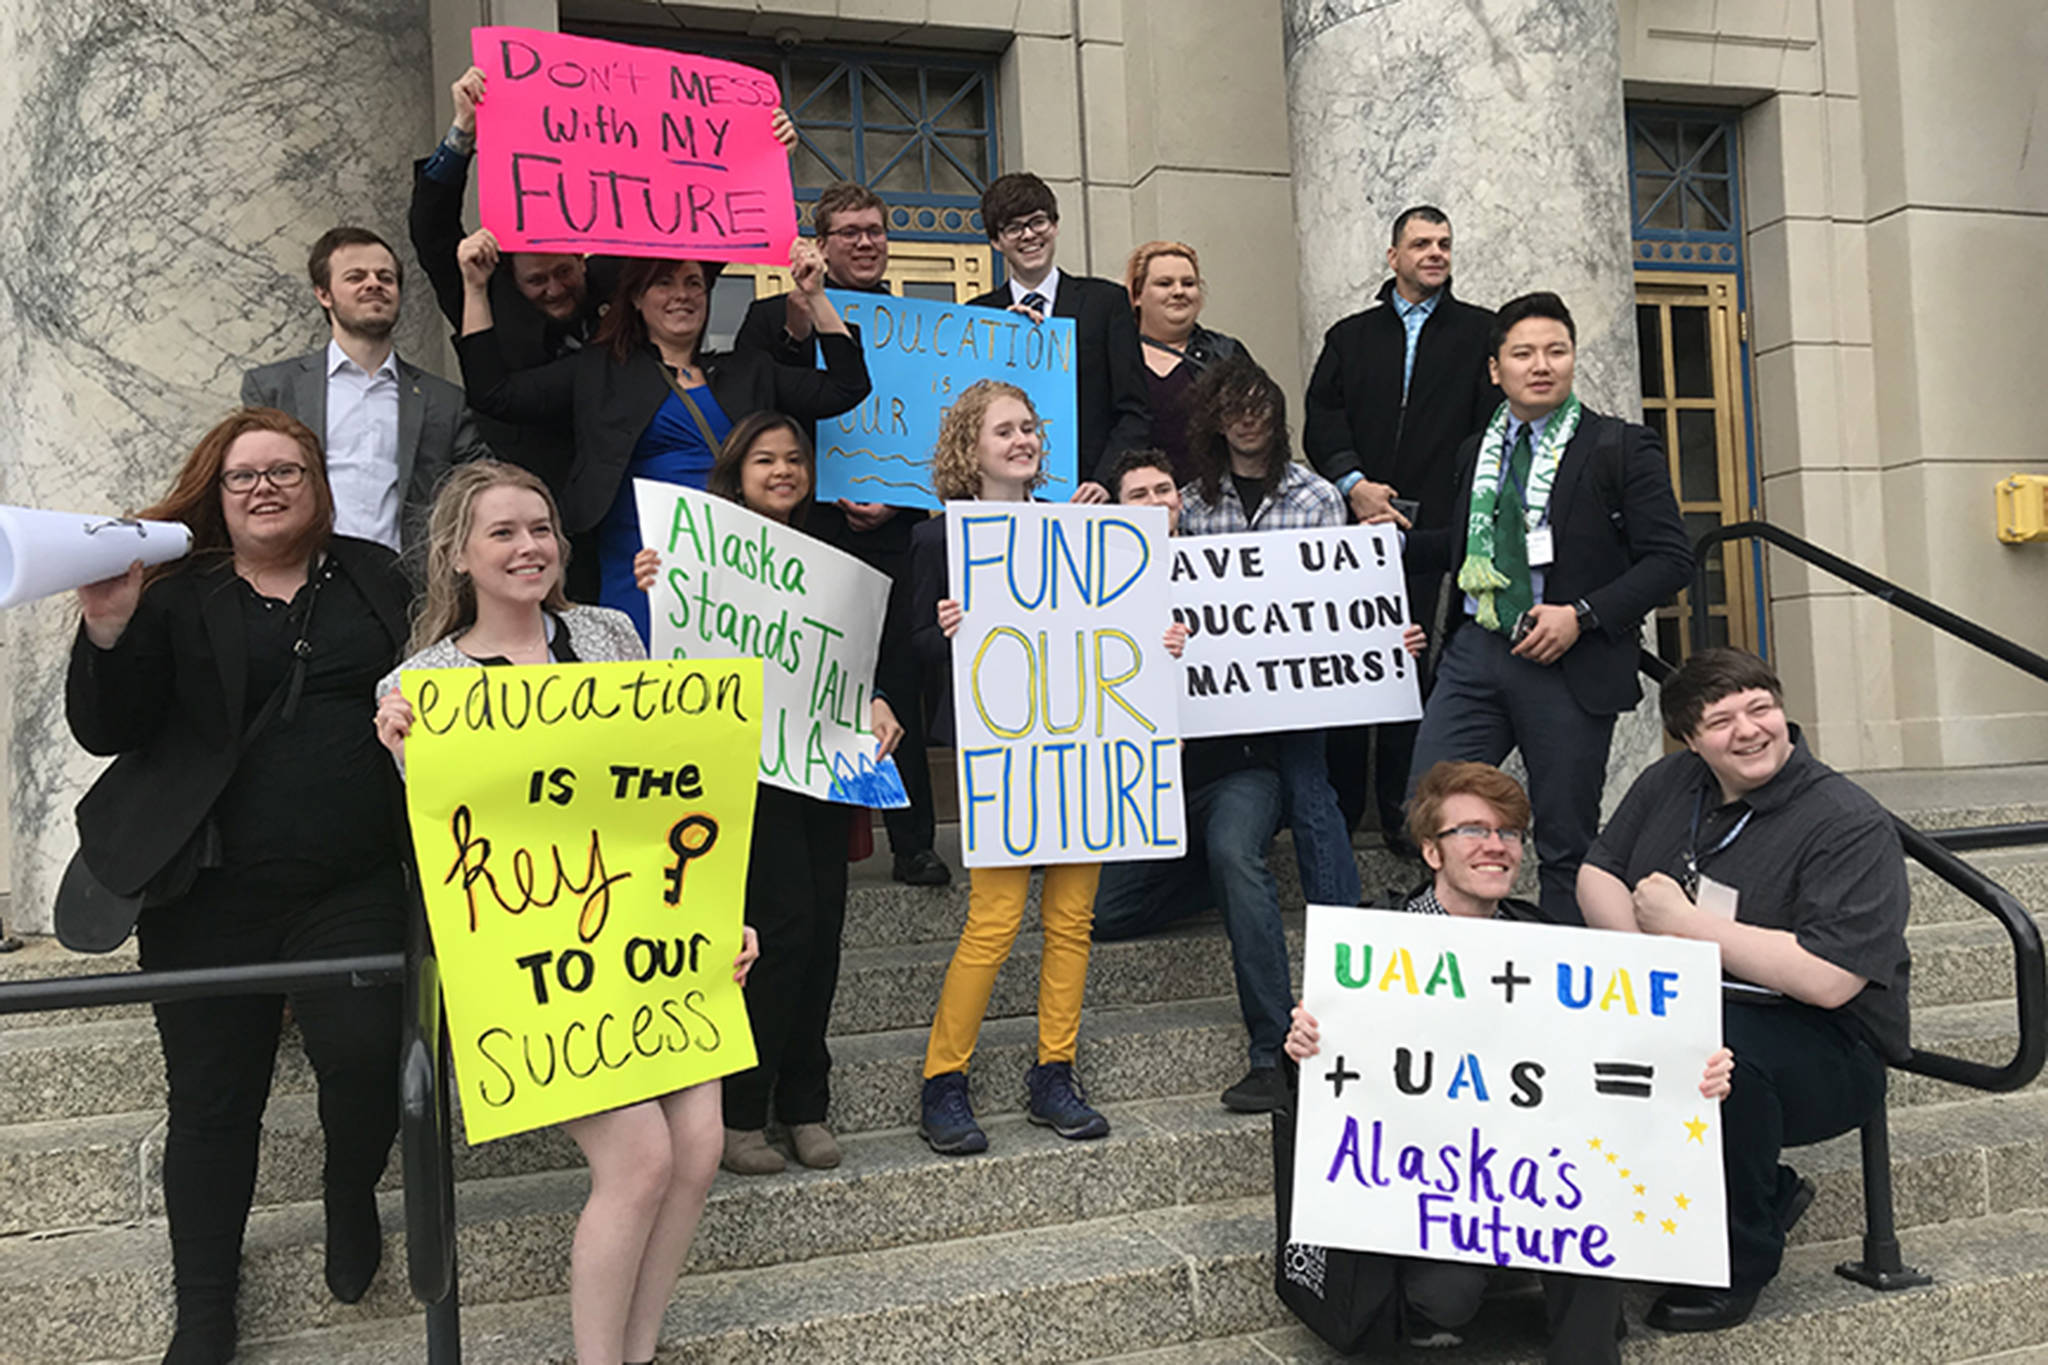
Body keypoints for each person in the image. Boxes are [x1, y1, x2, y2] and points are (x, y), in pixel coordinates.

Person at [373, 461, 759, 1365]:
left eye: (540, 527)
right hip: (537, 967)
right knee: (638, 1159)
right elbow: (455, 847)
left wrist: (713, 919)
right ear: (456, 554)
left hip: (652, 944)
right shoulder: (420, 682)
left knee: (698, 1146)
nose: (528, 546)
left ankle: (639, 1349)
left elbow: (667, 793)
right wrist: (401, 751)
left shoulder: (610, 633)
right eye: (503, 532)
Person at [64, 408, 415, 1364]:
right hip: (206, 891)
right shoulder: (176, 590)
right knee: (214, 1103)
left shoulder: (378, 575)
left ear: (319, 482)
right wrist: (106, 625)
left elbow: (460, 662)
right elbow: (110, 729)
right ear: (216, 493)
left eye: (285, 471)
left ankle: (350, 1190)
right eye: (242, 475)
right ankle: (205, 1306)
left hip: (351, 879)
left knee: (364, 1053)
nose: (264, 487)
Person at [1285, 760, 1735, 1364]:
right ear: (1431, 852)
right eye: (1472, 830)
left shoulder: (1548, 941)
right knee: (1446, 1297)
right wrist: (1306, 1048)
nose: (1495, 846)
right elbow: (1326, 1095)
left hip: (1537, 1177)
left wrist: (1690, 1072)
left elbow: (1613, 1058)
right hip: (1430, 1182)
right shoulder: (1373, 949)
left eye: (1508, 833)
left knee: (1596, 1221)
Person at [1578, 648, 1911, 1332]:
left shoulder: (1847, 821)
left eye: (1761, 707)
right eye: (1721, 719)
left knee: (1713, 1055)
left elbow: (1828, 977)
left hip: (1828, 1041)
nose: (1750, 729)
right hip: (1690, 1000)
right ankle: (1757, 1191)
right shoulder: (1671, 782)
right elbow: (1598, 871)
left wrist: (1687, 928)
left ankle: (1736, 1262)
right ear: (1691, 740)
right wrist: (1654, 964)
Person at [1099, 449, 1421, 1115]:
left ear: (1180, 502)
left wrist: (1390, 637)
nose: (1157, 501)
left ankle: (1271, 1048)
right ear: (1117, 507)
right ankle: (1213, 879)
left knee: (1232, 852)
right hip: (1148, 787)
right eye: (1139, 493)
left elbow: (1326, 621)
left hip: (1239, 771)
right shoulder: (1096, 583)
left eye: (1165, 489)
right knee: (1104, 914)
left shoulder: (1231, 562)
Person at [908, 380, 1180, 1154]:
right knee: (992, 922)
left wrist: (1162, 643)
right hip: (1003, 753)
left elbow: (1123, 630)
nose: (1022, 440)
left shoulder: (1080, 535)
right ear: (971, 446)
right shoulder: (939, 541)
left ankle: (1054, 1070)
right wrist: (947, 629)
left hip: (1081, 749)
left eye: (1029, 427)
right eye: (1005, 430)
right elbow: (916, 653)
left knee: (1072, 921)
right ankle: (943, 1079)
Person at [632, 413, 906, 1176]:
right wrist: (658, 588)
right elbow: (661, 651)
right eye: (765, 459)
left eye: (793, 458)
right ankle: (741, 1111)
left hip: (821, 768)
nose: (783, 470)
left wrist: (878, 701)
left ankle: (805, 1104)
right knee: (777, 932)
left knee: (824, 933)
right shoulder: (687, 549)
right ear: (736, 469)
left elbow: (844, 661)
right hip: (741, 774)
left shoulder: (831, 553)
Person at [1402, 291, 1691, 924]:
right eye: (1523, 352)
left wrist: (1580, 614)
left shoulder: (1620, 446)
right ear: (1494, 368)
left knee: (1566, 840)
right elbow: (1456, 546)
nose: (1542, 365)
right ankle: (1449, 958)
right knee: (1428, 805)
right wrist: (1367, 553)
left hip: (1568, 661)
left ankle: (1556, 989)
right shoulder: (1474, 451)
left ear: (1572, 359)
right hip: (1477, 652)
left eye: (1556, 351)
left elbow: (1671, 561)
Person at [452, 231, 870, 636]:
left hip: (741, 568)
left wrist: (815, 295)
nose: (682, 295)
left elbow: (847, 387)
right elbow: (494, 394)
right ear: (636, 297)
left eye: (694, 283)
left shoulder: (748, 370)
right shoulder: (601, 370)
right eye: (663, 283)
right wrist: (475, 288)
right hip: (641, 567)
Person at [733, 182, 950, 888]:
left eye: (876, 230)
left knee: (898, 678)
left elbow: (934, 423)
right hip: (808, 529)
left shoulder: (921, 322)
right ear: (819, 243)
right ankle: (825, 826)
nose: (865, 242)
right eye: (849, 231)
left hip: (897, 531)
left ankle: (912, 838)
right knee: (823, 676)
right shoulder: (769, 320)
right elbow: (761, 411)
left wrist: (897, 498)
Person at [1303, 206, 1501, 854]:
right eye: (1421, 243)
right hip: (1354, 528)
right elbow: (1322, 418)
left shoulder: (1480, 334)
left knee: (1412, 667)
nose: (1435, 253)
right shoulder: (1349, 336)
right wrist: (1352, 485)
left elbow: (1488, 433)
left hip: (1435, 532)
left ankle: (1400, 809)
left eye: (1444, 242)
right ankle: (1338, 806)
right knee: (1346, 665)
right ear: (1393, 256)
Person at [1178, 356, 1361, 910]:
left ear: (1278, 419)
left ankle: (1340, 920)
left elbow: (1342, 594)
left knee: (1309, 789)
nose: (1247, 420)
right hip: (1217, 689)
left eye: (1259, 408)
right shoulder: (1192, 505)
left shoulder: (1318, 497)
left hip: (1297, 683)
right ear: (1216, 421)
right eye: (1233, 410)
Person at [242, 227, 493, 559]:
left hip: (407, 586)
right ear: (323, 294)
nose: (374, 283)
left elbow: (480, 487)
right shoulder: (273, 389)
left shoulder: (444, 401)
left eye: (386, 277)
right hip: (305, 578)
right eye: (356, 277)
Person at [409, 64, 602, 492]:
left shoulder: (612, 284)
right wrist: (463, 131)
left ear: (583, 259)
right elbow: (432, 230)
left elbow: (692, 251)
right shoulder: (485, 292)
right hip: (522, 491)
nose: (554, 288)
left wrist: (763, 152)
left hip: (618, 486)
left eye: (564, 272)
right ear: (512, 275)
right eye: (537, 280)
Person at [966, 172, 1149, 498]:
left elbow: (1134, 411)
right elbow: (966, 416)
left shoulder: (1106, 303)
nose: (1028, 235)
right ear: (996, 242)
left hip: (1090, 496)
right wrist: (1001, 344)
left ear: (1055, 225)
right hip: (1006, 498)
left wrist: (1105, 481)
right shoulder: (979, 316)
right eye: (1013, 228)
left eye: (1038, 222)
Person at [1123, 240, 1249, 484]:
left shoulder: (1226, 353)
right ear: (1137, 295)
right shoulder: (1114, 354)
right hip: (1133, 504)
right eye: (1164, 283)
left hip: (1213, 502)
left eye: (1188, 283)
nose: (1179, 291)